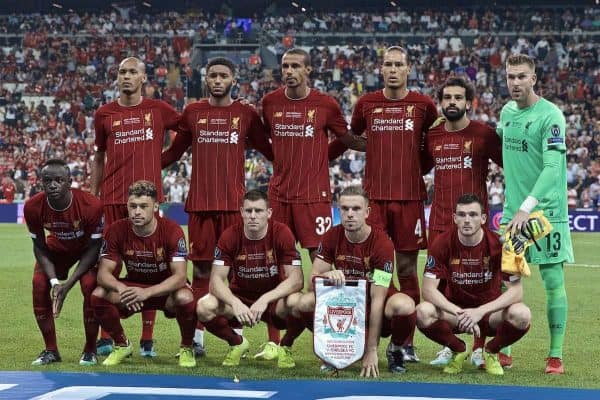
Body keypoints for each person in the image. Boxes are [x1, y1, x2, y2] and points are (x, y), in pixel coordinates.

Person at [161, 57, 275, 357]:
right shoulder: (193, 112)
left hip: (233, 207)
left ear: (233, 79)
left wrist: (304, 160)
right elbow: (173, 152)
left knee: (237, 273)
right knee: (201, 272)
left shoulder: (246, 113)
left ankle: (236, 333)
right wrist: (143, 165)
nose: (217, 80)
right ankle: (197, 339)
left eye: (223, 75)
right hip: (200, 205)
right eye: (212, 75)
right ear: (206, 78)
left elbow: (269, 150)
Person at [346, 46, 438, 361]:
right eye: (388, 64)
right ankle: (367, 334)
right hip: (375, 198)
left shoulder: (425, 105)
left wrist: (414, 167)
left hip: (410, 197)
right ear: (381, 69)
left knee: (408, 267)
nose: (394, 69)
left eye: (399, 64)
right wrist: (376, 150)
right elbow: (353, 137)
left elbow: (433, 144)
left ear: (408, 68)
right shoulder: (366, 103)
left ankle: (405, 341)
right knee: (374, 269)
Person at [91, 56, 182, 357]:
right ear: (116, 77)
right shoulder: (104, 114)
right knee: (110, 268)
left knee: (151, 265)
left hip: (147, 200)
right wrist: (94, 197)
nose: (126, 76)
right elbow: (99, 157)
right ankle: (109, 336)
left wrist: (164, 161)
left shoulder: (158, 110)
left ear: (144, 78)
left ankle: (147, 340)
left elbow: (189, 130)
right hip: (114, 199)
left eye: (133, 72)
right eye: (122, 72)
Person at [282, 186, 417, 377]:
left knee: (405, 305)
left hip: (375, 304)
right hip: (347, 305)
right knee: (304, 302)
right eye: (345, 209)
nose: (350, 214)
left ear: (367, 212)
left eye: (356, 209)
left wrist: (371, 350)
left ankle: (395, 349)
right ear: (339, 211)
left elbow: (378, 300)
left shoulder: (382, 243)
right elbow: (314, 278)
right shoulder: (331, 236)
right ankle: (331, 347)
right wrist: (327, 276)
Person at [497, 54, 574, 374]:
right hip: (513, 214)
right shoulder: (506, 112)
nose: (515, 82)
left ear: (534, 78)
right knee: (506, 282)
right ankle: (502, 350)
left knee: (553, 280)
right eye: (510, 76)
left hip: (546, 214)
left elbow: (552, 166)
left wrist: (527, 208)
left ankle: (555, 355)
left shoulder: (551, 116)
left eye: (521, 76)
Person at [422, 77, 503, 367]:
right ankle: (451, 345)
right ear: (441, 102)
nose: (452, 102)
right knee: (442, 287)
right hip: (441, 221)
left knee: (483, 284)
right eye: (447, 98)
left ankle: (480, 347)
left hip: (475, 224)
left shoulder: (483, 134)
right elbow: (418, 167)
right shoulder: (432, 136)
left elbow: (511, 165)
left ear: (468, 103)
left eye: (458, 98)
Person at [261, 48, 363, 261]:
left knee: (321, 259)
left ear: (308, 69)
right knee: (273, 259)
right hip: (279, 196)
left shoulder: (326, 104)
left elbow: (347, 140)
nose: (289, 71)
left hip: (313, 196)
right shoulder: (270, 102)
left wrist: (383, 143)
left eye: (295, 66)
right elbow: (263, 141)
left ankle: (319, 295)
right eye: (285, 66)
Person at [417, 193, 531, 375]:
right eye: (461, 215)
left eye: (473, 214)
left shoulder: (498, 245)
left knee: (522, 314)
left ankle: (491, 351)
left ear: (483, 218)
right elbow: (428, 290)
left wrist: (479, 312)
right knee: (423, 312)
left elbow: (516, 292)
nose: (467, 220)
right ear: (454, 218)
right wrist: (459, 313)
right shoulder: (442, 242)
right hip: (456, 313)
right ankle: (458, 349)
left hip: (489, 314)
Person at [91, 181, 197, 368]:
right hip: (133, 288)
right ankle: (122, 345)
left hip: (164, 291)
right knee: (99, 294)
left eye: (143, 206)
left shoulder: (173, 230)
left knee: (185, 297)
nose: (137, 212)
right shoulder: (116, 229)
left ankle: (187, 347)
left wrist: (147, 293)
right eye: (133, 206)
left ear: (155, 207)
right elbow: (103, 274)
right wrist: (122, 288)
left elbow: (180, 277)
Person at [195, 190, 303, 368]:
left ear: (268, 213)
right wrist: (235, 303)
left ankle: (285, 346)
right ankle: (236, 343)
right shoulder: (230, 235)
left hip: (274, 301)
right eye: (249, 211)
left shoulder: (282, 232)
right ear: (241, 212)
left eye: (258, 211)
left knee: (298, 302)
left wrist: (265, 299)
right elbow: (215, 281)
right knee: (204, 306)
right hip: (240, 298)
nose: (253, 216)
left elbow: (297, 280)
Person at [24, 159, 103, 366]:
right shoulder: (33, 206)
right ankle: (51, 350)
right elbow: (39, 247)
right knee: (39, 284)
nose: (53, 185)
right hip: (57, 248)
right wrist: (54, 282)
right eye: (47, 180)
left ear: (70, 182)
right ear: (41, 183)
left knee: (89, 286)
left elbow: (95, 248)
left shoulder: (91, 205)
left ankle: (90, 350)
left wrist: (68, 285)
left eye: (59, 180)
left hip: (86, 250)